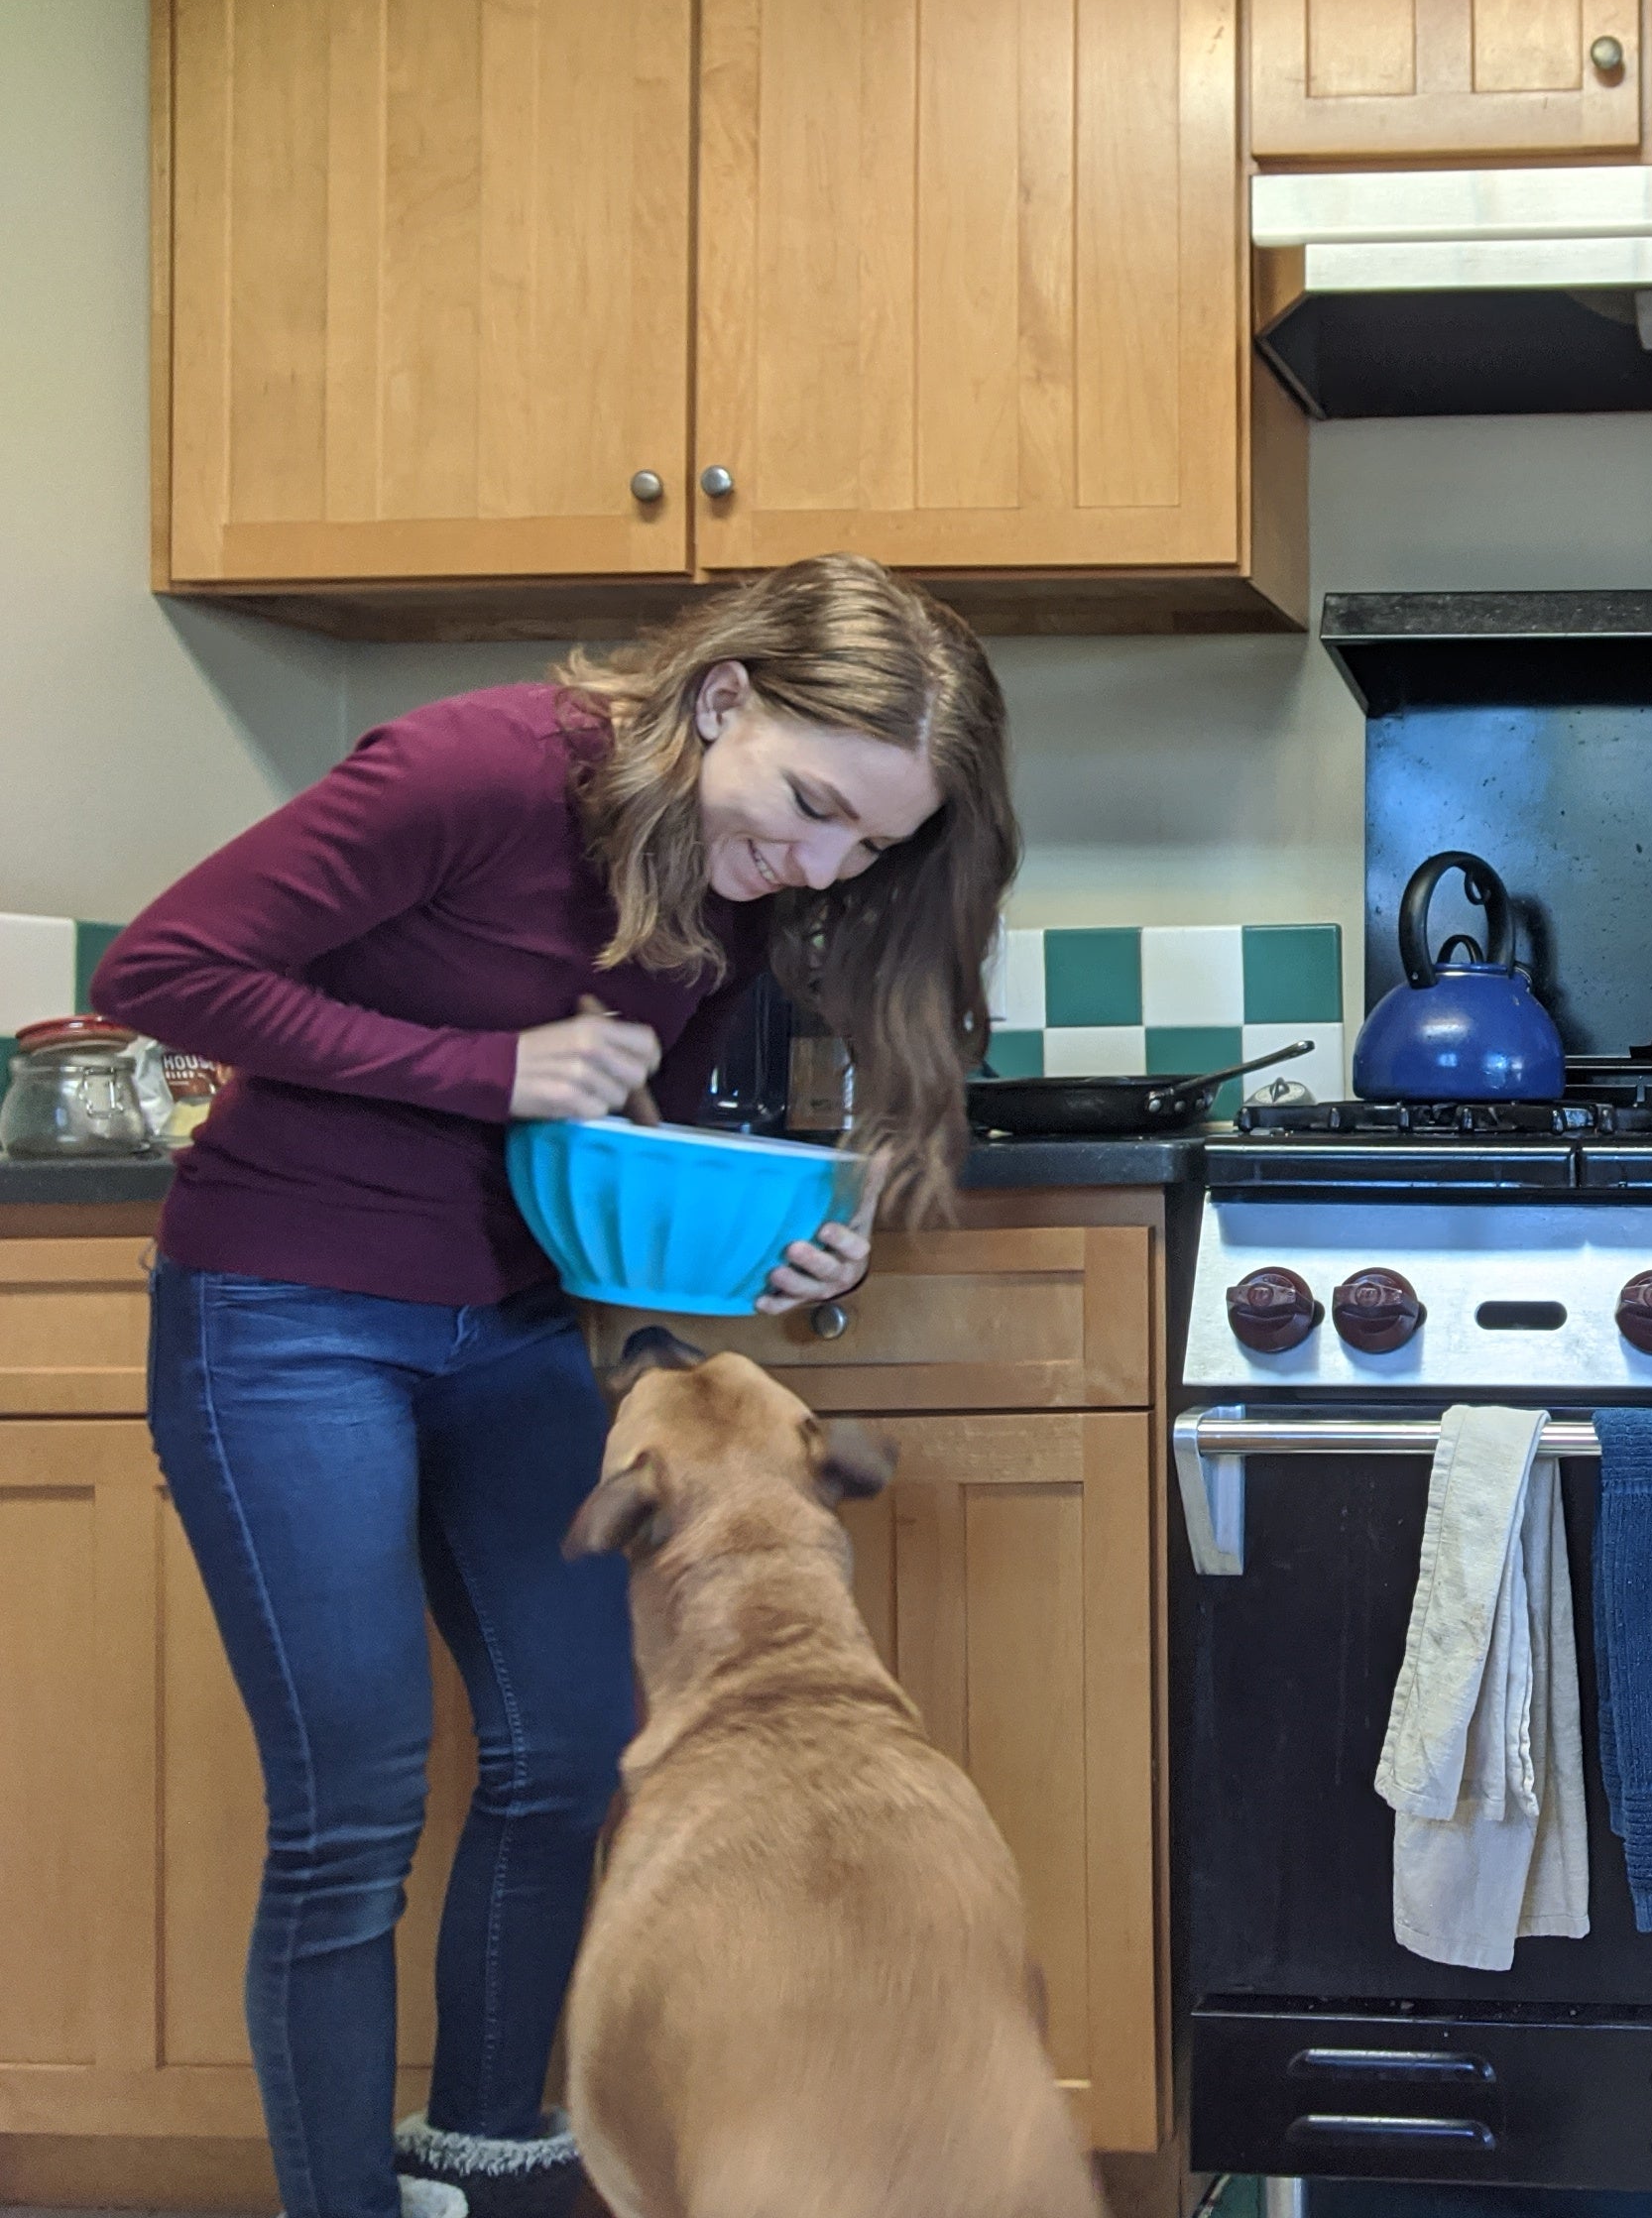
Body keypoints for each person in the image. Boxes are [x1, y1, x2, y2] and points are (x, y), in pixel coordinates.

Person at [93, 555, 1019, 2218]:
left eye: (864, 848)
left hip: (506, 1323)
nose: (817, 865)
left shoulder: (731, 889)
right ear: (727, 697)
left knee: (573, 1743)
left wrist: (788, 1257)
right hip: (285, 1310)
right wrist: (481, 1068)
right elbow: (158, 974)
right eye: (813, 806)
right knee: (355, 1805)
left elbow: (608, 1146)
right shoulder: (476, 770)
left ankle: (490, 2161)